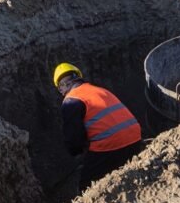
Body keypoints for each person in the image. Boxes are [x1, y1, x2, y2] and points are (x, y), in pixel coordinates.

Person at [53, 62, 142, 191]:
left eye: (59, 90)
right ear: (78, 77)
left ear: (61, 87)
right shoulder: (100, 90)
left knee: (87, 186)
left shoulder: (71, 100)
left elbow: (74, 138)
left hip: (110, 145)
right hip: (135, 137)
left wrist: (76, 151)